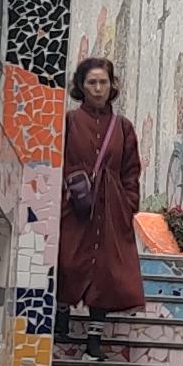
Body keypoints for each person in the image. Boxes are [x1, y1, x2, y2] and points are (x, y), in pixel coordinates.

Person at [58, 58, 146, 342]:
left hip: (111, 209)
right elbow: (56, 160)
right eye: (92, 82)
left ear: (112, 85)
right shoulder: (69, 122)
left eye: (103, 82)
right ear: (81, 86)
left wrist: (128, 204)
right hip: (74, 207)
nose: (98, 88)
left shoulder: (123, 127)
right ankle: (61, 322)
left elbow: (131, 170)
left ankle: (94, 340)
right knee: (67, 259)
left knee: (106, 270)